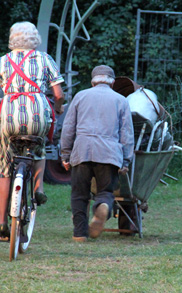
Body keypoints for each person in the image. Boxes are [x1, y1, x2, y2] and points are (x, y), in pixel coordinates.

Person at [0, 21, 65, 242]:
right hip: (37, 114)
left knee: (5, 169)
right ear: (34, 39)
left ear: (12, 39)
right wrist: (58, 107)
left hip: (9, 116)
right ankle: (38, 187)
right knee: (39, 147)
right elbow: (58, 94)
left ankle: (1, 223)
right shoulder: (45, 60)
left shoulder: (2, 62)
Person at [60, 65, 134, 242]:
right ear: (113, 82)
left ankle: (79, 234)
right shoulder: (121, 100)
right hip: (108, 153)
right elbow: (127, 133)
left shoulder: (80, 96)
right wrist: (126, 160)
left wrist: (65, 154)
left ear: (92, 82)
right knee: (106, 192)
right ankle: (102, 206)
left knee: (79, 194)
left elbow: (68, 128)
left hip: (82, 151)